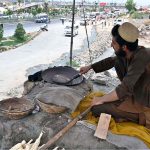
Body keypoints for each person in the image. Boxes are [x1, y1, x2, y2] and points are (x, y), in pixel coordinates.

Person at [80, 22, 150, 129]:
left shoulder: (142, 56)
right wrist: (89, 67)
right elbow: (111, 60)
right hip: (134, 94)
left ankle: (144, 117)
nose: (111, 45)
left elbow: (124, 88)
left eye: (114, 43)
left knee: (97, 108)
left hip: (145, 102)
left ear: (124, 47)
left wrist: (102, 99)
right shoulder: (128, 52)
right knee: (117, 61)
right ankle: (126, 110)